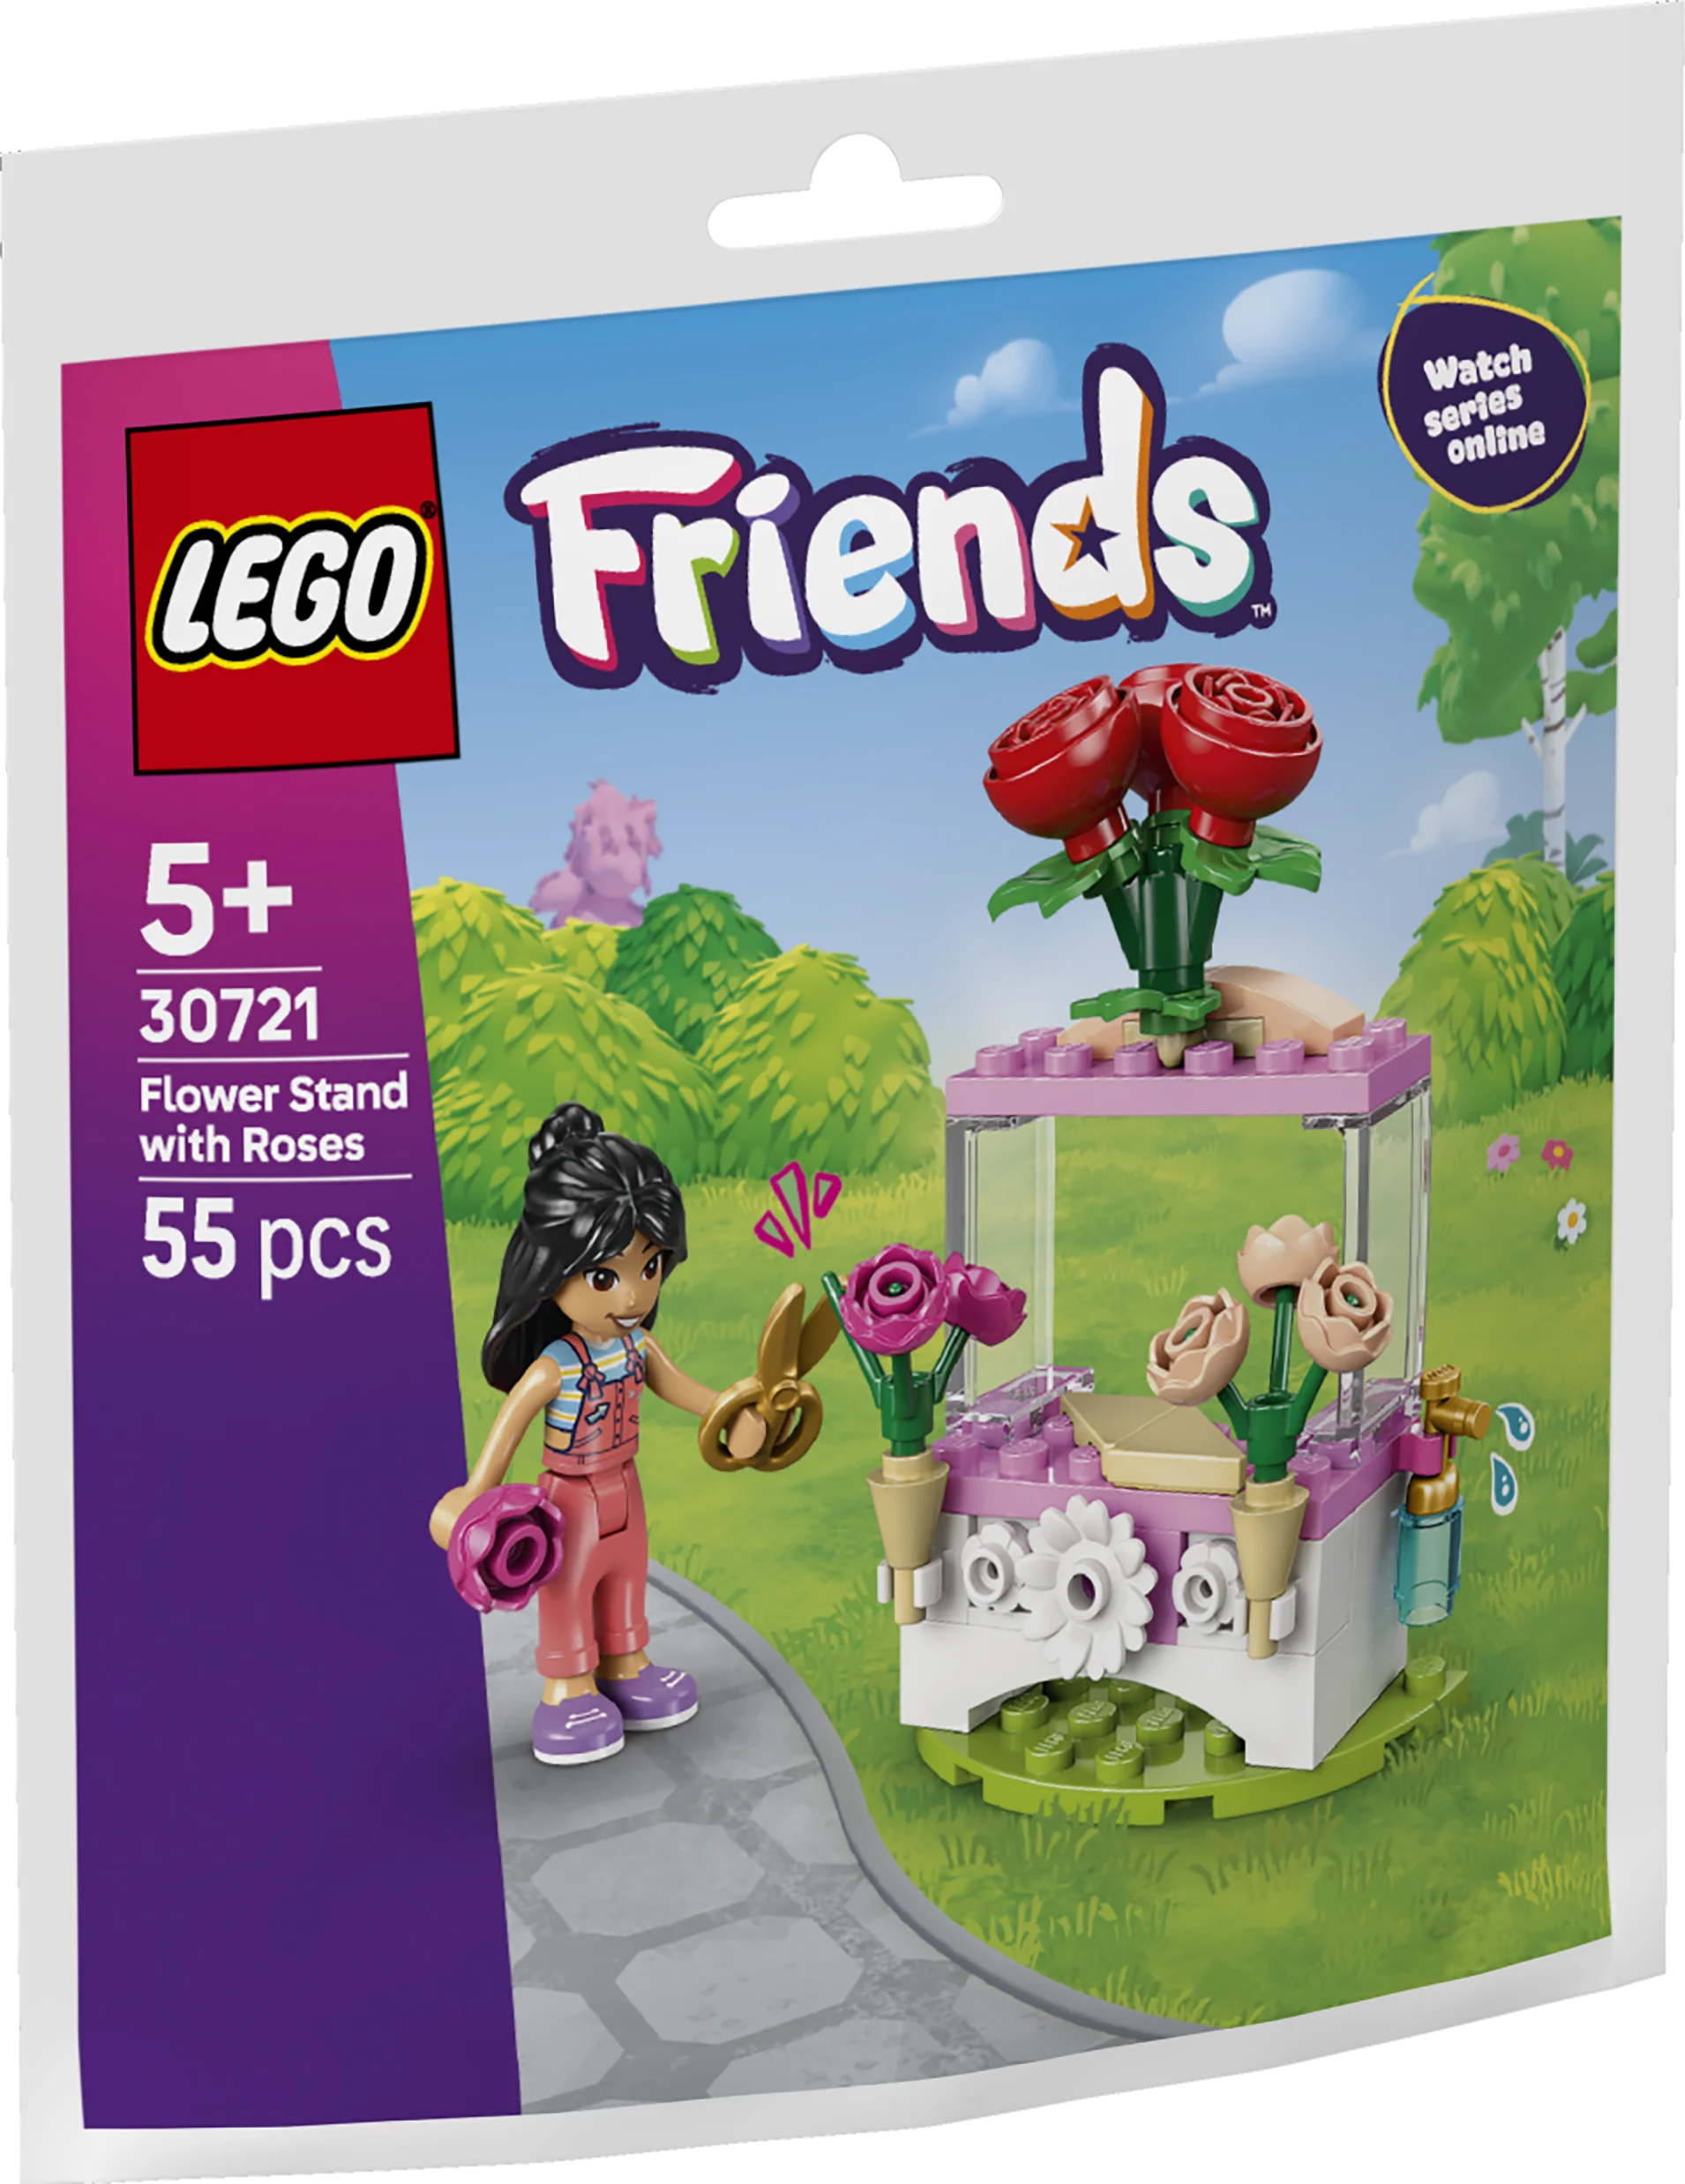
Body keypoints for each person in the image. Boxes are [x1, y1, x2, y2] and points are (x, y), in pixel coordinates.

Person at [429, 1103, 763, 1765]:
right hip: (570, 1497)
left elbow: (686, 1389)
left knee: (626, 1575)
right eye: (605, 1277)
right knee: (570, 1586)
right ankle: (568, 1687)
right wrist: (473, 1497)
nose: (632, 1296)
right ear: (550, 1271)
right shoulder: (553, 1367)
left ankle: (627, 1665)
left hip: (625, 1486)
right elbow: (509, 1429)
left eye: (650, 1267)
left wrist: (733, 1417)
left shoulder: (637, 1347)